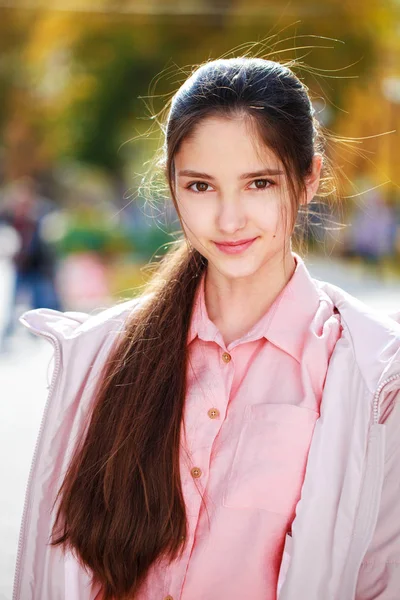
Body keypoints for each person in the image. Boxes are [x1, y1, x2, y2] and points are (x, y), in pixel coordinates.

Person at [12, 57, 400, 600]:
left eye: (259, 183)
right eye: (200, 186)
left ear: (308, 179)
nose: (229, 219)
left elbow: (381, 579)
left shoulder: (371, 375)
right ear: (171, 185)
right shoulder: (104, 356)